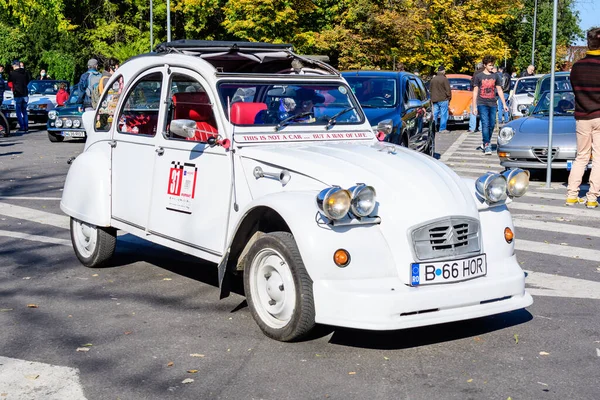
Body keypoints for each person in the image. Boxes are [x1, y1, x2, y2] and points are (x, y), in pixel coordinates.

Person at [566, 27, 600, 209]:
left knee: (581, 157)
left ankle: (571, 195)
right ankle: (592, 197)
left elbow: (575, 90)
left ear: (588, 43)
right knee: (599, 159)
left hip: (582, 117)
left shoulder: (577, 67)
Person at [472, 55, 509, 155]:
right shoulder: (479, 77)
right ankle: (487, 144)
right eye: (490, 65)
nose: (492, 67)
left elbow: (500, 90)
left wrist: (504, 104)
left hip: (493, 103)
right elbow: (475, 91)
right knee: (485, 123)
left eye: (492, 65)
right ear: (485, 65)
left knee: (492, 124)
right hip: (482, 102)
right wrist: (474, 106)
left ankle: (485, 141)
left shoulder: (496, 76)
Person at [8, 60, 31, 132]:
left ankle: (22, 127)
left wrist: (13, 88)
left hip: (17, 93)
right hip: (25, 93)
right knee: (24, 111)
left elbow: (9, 83)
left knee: (18, 111)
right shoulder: (25, 72)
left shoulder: (12, 74)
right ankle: (26, 126)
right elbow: (28, 81)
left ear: (14, 65)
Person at [429, 65, 451, 134]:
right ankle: (442, 128)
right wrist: (449, 98)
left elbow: (430, 90)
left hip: (435, 99)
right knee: (443, 114)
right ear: (443, 71)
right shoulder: (444, 79)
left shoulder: (433, 79)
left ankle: (433, 128)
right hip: (443, 99)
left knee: (435, 114)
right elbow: (448, 90)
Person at [468, 62, 483, 133]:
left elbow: (472, 84)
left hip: (477, 94)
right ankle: (481, 128)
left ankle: (472, 128)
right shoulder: (487, 73)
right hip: (485, 95)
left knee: (473, 110)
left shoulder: (476, 74)